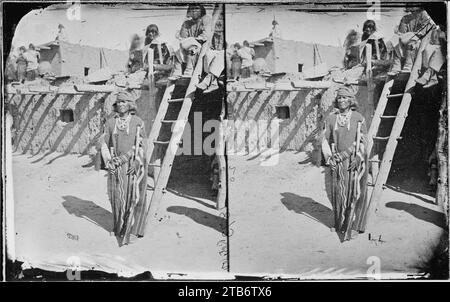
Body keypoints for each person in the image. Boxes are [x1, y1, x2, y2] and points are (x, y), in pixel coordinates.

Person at [100, 90, 148, 246]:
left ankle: (132, 230)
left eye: (124, 102)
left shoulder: (137, 122)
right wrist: (109, 162)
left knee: (132, 197)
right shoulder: (110, 122)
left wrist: (137, 161)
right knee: (117, 198)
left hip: (132, 163)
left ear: (130, 105)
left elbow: (142, 144)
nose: (121, 105)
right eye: (119, 102)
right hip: (115, 164)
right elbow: (103, 144)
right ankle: (119, 227)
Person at [321, 86, 369, 241]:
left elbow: (365, 140)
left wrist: (359, 157)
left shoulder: (358, 118)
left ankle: (353, 226)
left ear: (351, 100)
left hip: (353, 160)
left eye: (345, 97)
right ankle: (340, 223)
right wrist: (329, 158)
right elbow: (324, 140)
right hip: (337, 161)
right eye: (339, 98)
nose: (342, 100)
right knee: (337, 194)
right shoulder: (331, 119)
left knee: (353, 193)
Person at [388, 6, 435, 76]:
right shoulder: (405, 18)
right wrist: (403, 36)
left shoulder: (424, 14)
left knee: (411, 42)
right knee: (395, 40)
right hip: (407, 38)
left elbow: (424, 31)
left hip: (421, 39)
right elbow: (401, 32)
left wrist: (409, 35)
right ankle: (396, 67)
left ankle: (408, 65)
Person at [170, 4, 212, 80]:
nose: (194, 11)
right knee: (176, 46)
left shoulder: (205, 19)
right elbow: (183, 37)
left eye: (196, 8)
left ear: (201, 10)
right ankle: (177, 71)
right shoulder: (186, 23)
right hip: (188, 44)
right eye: (192, 9)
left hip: (201, 46)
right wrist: (188, 41)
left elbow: (205, 35)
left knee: (192, 47)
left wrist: (193, 40)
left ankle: (189, 70)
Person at [196, 9, 225, 92]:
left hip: (225, 54)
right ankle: (214, 82)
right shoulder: (213, 34)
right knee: (208, 54)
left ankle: (207, 81)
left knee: (221, 55)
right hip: (218, 52)